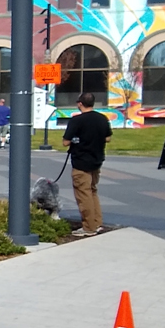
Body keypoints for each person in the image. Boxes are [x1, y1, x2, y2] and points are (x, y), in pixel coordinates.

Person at [60, 92, 112, 236]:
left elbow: (65, 142)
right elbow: (108, 138)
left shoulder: (76, 121)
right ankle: (97, 222)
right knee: (92, 191)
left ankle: (89, 227)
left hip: (81, 162)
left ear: (80, 104)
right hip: (97, 160)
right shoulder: (102, 118)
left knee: (83, 194)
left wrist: (77, 140)